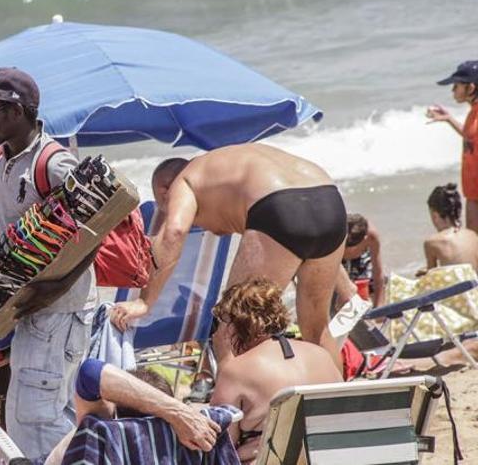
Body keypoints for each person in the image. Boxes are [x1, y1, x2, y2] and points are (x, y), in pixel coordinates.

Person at [0, 67, 99, 460]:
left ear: (17, 112)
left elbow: (96, 227)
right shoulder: (4, 161)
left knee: (37, 418)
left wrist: (56, 285)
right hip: (32, 311)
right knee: (34, 414)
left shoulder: (52, 164)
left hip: (60, 310)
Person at [111, 145, 347, 371]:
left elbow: (173, 233)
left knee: (230, 328)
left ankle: (232, 407)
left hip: (278, 205)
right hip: (329, 198)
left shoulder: (183, 182)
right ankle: (337, 407)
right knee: (317, 329)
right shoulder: (220, 167)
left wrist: (144, 302)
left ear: (164, 193)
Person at [209, 278, 342, 463]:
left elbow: (220, 445)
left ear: (238, 323)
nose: (222, 333)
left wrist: (223, 359)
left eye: (224, 322)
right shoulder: (322, 356)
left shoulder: (236, 371)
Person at [41, 362, 221, 465]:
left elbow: (90, 374)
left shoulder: (104, 431)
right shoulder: (97, 434)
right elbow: (90, 373)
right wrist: (177, 413)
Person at [427, 60, 478, 233]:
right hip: (472, 191)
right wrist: (449, 119)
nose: (453, 90)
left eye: (456, 86)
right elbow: (470, 136)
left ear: (470, 88)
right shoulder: (473, 111)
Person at [420, 183, 478, 275]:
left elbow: (431, 278)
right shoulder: (473, 235)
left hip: (460, 289)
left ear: (435, 215)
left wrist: (426, 272)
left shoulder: (431, 242)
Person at [334, 213, 385, 307]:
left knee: (368, 285)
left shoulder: (371, 236)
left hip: (361, 256)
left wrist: (379, 304)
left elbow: (378, 272)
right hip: (334, 254)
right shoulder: (335, 234)